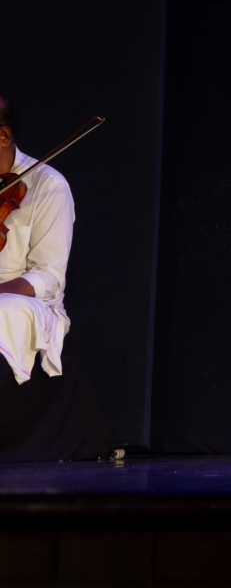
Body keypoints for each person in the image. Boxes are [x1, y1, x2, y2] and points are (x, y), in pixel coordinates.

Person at [0, 96, 108, 461]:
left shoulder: (48, 186)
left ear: (3, 136)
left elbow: (47, 277)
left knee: (5, 308)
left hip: (30, 305)